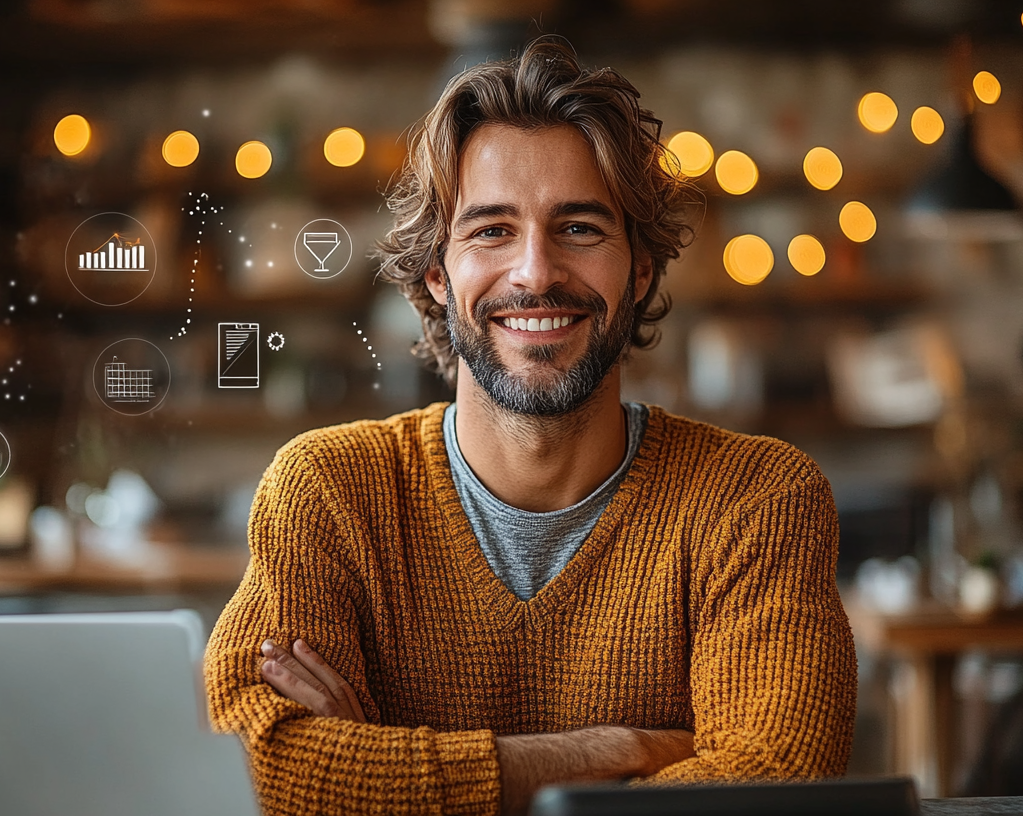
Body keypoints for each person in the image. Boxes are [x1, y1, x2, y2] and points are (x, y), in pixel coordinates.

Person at [205, 37, 857, 816]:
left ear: (640, 268)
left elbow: (779, 782)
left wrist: (380, 776)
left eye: (579, 228)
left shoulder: (755, 498)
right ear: (438, 277)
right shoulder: (330, 490)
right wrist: (610, 755)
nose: (535, 272)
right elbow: (251, 768)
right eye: (491, 230)